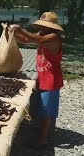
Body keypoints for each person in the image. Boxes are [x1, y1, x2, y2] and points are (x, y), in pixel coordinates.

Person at [13, 12, 64, 148]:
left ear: (52, 27)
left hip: (51, 80)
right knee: (40, 108)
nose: (42, 28)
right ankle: (39, 133)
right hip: (42, 77)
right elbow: (26, 40)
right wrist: (12, 33)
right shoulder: (43, 35)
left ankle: (43, 139)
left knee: (46, 111)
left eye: (45, 26)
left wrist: (21, 29)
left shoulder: (54, 37)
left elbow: (38, 40)